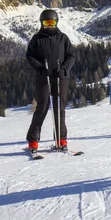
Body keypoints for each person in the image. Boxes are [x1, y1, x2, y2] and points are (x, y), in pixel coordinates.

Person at [26, 9, 75, 152]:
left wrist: (64, 69)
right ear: (41, 23)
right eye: (46, 23)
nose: (49, 25)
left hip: (61, 77)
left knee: (59, 108)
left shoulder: (63, 38)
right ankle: (33, 141)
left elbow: (71, 56)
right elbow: (30, 56)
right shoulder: (37, 39)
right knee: (42, 107)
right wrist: (41, 68)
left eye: (52, 22)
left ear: (56, 22)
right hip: (43, 76)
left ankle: (61, 139)